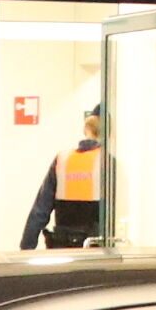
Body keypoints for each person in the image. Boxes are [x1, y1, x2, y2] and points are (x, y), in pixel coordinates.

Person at [23, 104, 110, 250]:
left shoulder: (63, 159)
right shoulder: (107, 162)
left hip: (61, 247)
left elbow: (40, 210)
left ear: (86, 129)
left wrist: (26, 248)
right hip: (94, 249)